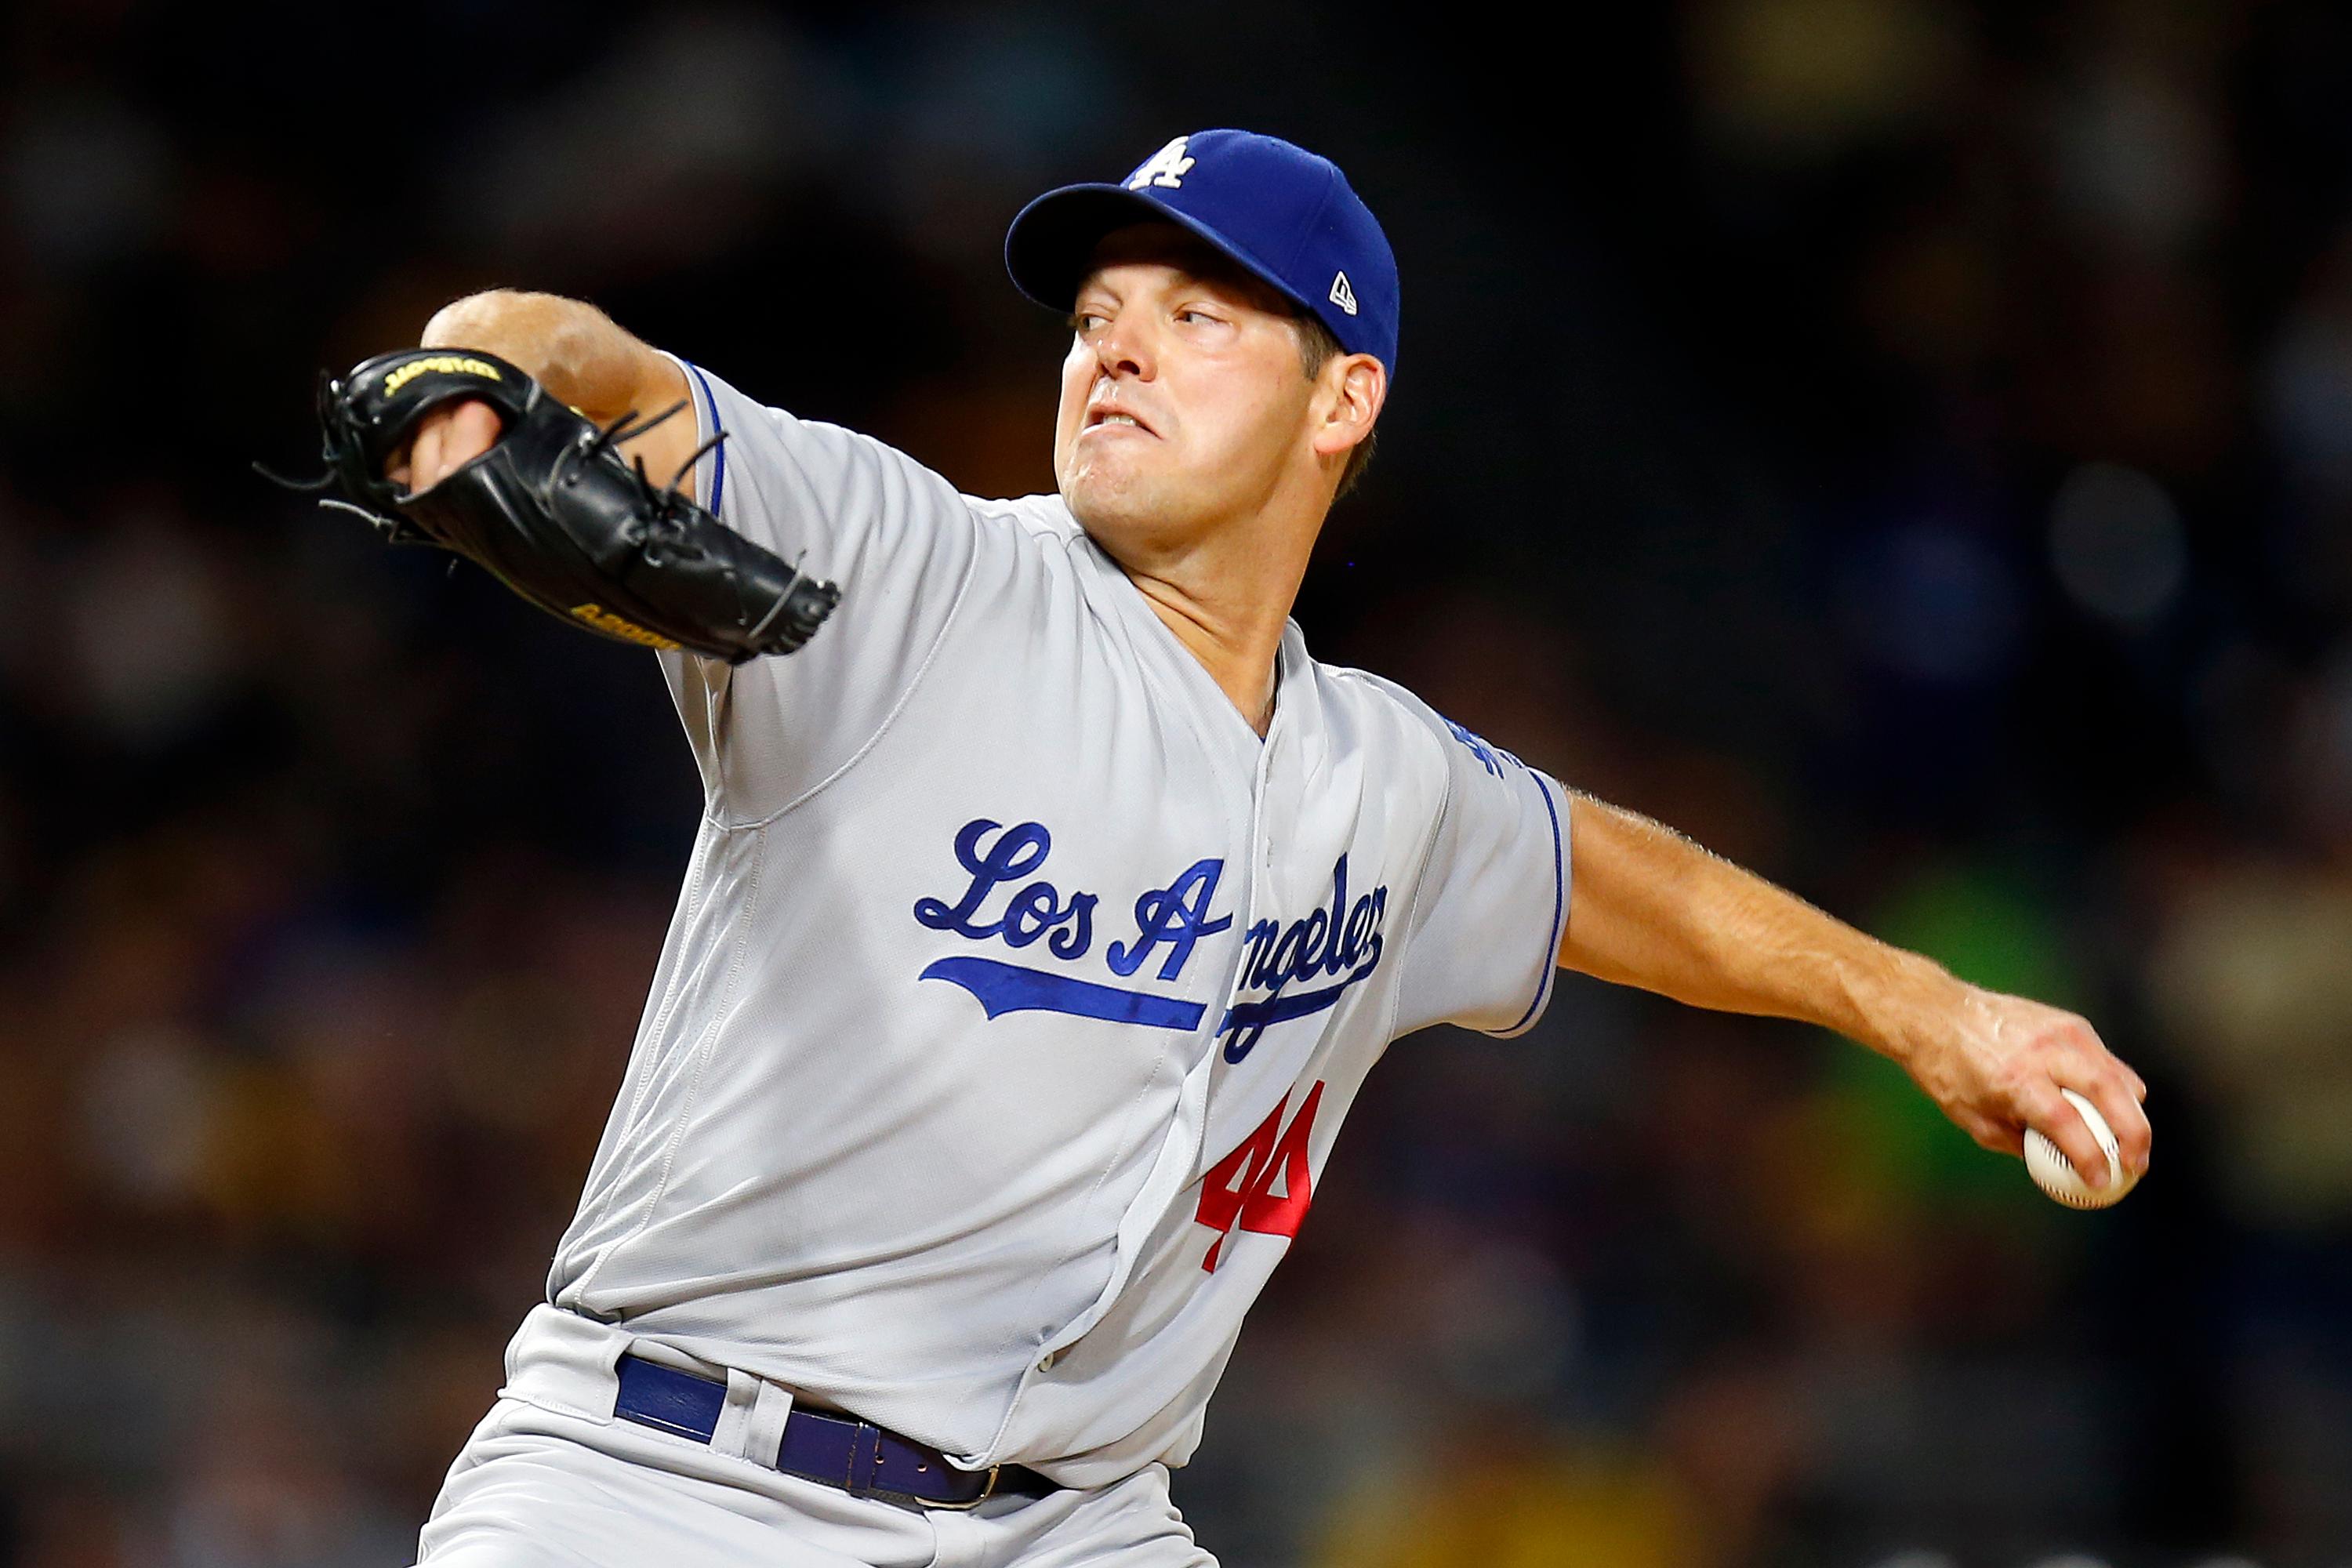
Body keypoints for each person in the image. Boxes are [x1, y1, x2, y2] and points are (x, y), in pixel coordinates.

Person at [391, 129, 2151, 1567]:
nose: (1115, 346)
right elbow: (584, 357)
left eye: (1196, 314)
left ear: (1341, 400)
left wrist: (1935, 1012)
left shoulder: (1380, 778)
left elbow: (1620, 880)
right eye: (1096, 314)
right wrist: (475, 374)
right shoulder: (907, 571)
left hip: (1073, 1528)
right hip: (670, 1482)